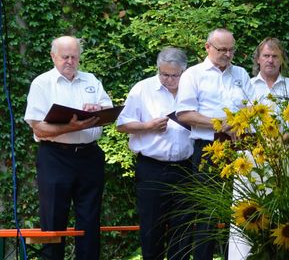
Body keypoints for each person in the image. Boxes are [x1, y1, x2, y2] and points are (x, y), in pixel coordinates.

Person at [24, 36, 114, 260]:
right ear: (53, 56)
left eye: (74, 57)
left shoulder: (91, 80)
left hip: (89, 155)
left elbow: (109, 110)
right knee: (53, 220)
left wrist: (97, 109)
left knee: (90, 219)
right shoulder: (42, 83)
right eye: (65, 57)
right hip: (56, 157)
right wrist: (68, 127)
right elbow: (38, 127)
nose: (70, 61)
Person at [176, 28, 250, 260]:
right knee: (206, 216)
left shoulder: (241, 74)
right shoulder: (193, 74)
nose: (228, 54)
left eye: (231, 50)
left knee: (239, 213)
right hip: (208, 151)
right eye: (222, 50)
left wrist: (240, 123)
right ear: (207, 47)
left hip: (239, 149)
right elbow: (184, 114)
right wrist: (219, 124)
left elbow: (251, 107)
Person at [117, 47, 193, 260]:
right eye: (164, 74)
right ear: (158, 69)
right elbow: (121, 125)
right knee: (151, 229)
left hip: (185, 168)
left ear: (183, 72)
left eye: (174, 75)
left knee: (184, 229)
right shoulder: (142, 89)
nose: (168, 80)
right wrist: (147, 126)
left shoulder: (193, 89)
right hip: (152, 167)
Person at [247, 37, 289, 105]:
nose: (270, 61)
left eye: (275, 56)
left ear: (282, 60)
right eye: (266, 56)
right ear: (258, 59)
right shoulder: (248, 86)